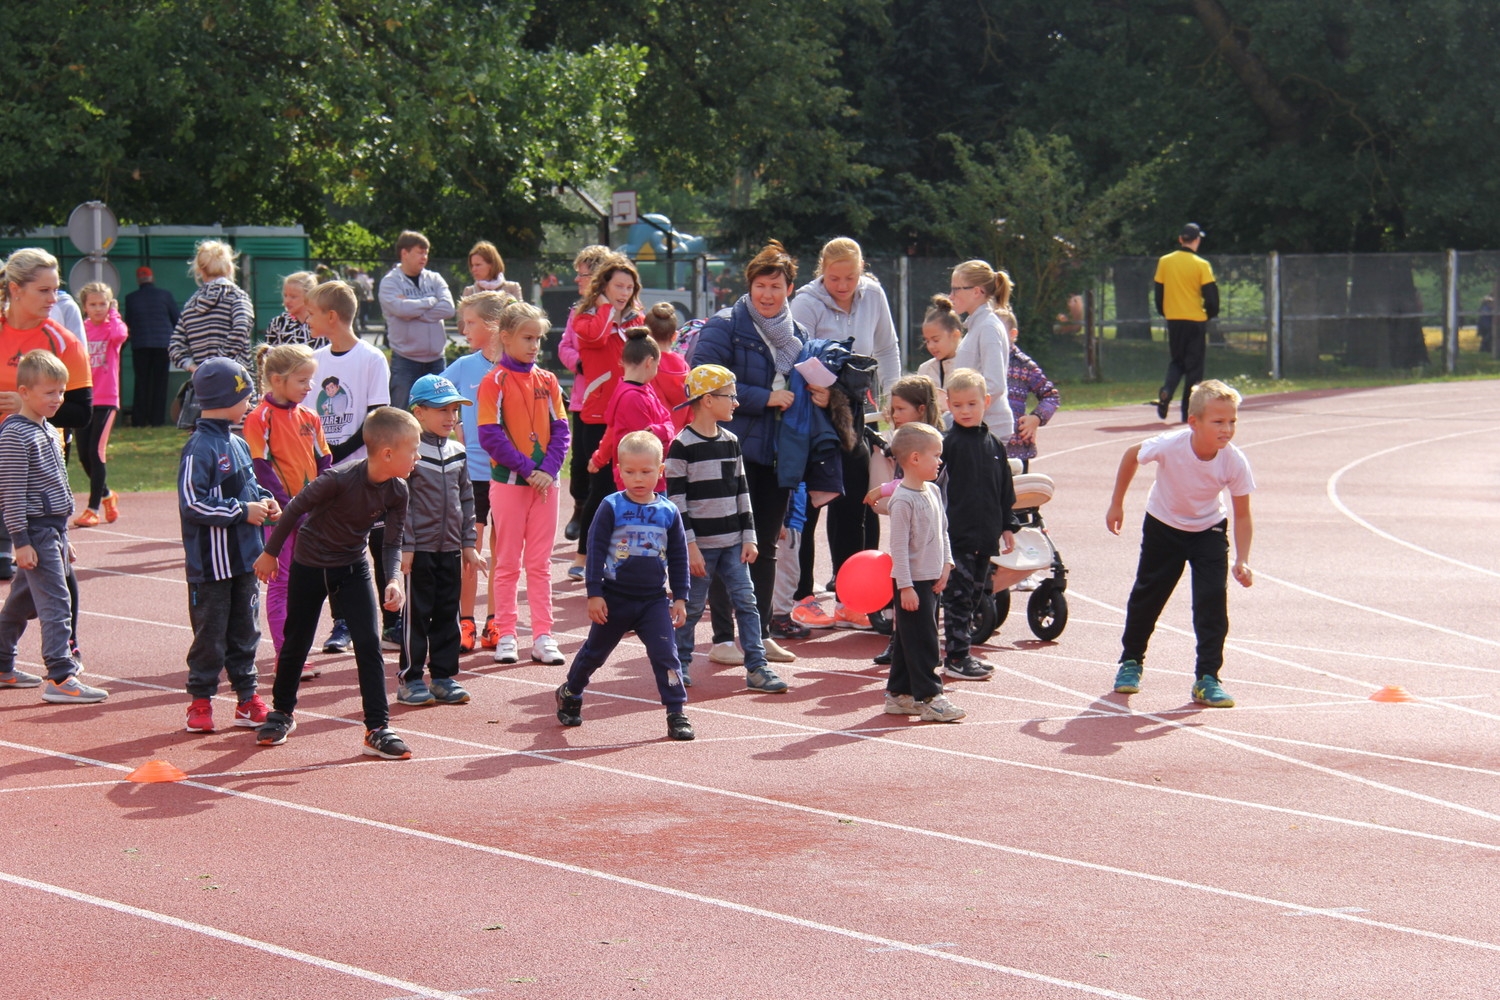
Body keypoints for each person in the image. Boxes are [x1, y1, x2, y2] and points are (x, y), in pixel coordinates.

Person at [254, 407, 419, 759]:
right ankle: (282, 712)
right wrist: (270, 552)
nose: (417, 457)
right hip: (310, 564)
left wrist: (393, 579)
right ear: (388, 453)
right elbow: (295, 509)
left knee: (369, 644)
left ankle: (377, 728)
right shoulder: (338, 478)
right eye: (413, 449)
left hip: (351, 567)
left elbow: (392, 542)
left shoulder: (398, 490)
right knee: (297, 640)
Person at [687, 240, 824, 664]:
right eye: (761, 285)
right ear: (750, 286)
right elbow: (701, 383)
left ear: (790, 289)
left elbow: (799, 393)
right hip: (726, 453)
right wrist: (764, 397)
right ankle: (724, 639)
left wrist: (817, 397)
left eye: (776, 286)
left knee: (764, 545)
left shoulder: (799, 336)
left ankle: (760, 635)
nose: (768, 294)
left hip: (777, 457)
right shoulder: (724, 326)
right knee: (725, 545)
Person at [1107, 379, 1255, 708]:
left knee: (1211, 601)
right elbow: (1132, 455)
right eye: (1218, 422)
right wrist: (1117, 503)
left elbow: (1242, 515)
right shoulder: (1170, 445)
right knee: (1148, 594)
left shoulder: (1233, 460)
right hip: (1164, 526)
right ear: (1194, 422)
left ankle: (1207, 678)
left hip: (1209, 530)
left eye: (1232, 421)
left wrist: (1242, 559)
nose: (1227, 429)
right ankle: (1130, 662)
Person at [554, 431, 694, 742]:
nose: (638, 478)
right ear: (619, 470)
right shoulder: (610, 506)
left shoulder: (668, 511)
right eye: (629, 471)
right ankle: (572, 691)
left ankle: (676, 711)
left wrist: (681, 597)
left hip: (653, 601)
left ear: (660, 471)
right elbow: (594, 549)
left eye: (646, 471)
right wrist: (594, 593)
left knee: (665, 654)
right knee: (595, 653)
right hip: (615, 597)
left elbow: (678, 555)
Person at [789, 237, 901, 627]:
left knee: (854, 503)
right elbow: (791, 353)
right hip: (813, 412)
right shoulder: (805, 302)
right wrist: (815, 391)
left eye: (850, 277)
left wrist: (893, 396)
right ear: (822, 272)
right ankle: (801, 596)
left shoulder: (873, 295)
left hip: (854, 411)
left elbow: (887, 348)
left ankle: (851, 597)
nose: (842, 286)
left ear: (861, 271)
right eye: (834, 278)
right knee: (811, 505)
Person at [666, 364, 786, 693]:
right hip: (701, 546)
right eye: (730, 396)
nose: (736, 402)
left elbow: (742, 493)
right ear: (707, 400)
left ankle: (757, 667)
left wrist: (749, 536)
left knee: (747, 603)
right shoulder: (682, 446)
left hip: (734, 543)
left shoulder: (732, 441)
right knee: (689, 608)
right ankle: (680, 664)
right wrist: (689, 546)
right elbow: (677, 502)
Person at [0, 351, 107, 703]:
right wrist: (21, 541)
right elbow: (11, 492)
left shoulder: (49, 428)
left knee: (20, 603)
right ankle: (61, 676)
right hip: (35, 532)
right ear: (24, 392)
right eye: (49, 392)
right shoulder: (15, 434)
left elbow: (56, 482)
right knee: (57, 604)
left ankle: (1, 664)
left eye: (60, 392)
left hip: (53, 531)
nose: (57, 399)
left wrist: (64, 537)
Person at [179, 357, 279, 731]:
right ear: (226, 398)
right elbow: (193, 501)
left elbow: (248, 487)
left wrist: (265, 500)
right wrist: (242, 511)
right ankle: (200, 701)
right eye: (246, 396)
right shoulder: (199, 447)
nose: (250, 404)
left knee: (245, 631)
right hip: (211, 567)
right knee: (210, 634)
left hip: (245, 561)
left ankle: (246, 698)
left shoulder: (236, 443)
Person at [476, 300, 569, 667]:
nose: (534, 345)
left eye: (538, 339)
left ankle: (544, 635)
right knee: (508, 561)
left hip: (546, 484)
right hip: (510, 483)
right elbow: (490, 434)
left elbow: (562, 429)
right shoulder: (494, 381)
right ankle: (507, 634)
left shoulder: (547, 380)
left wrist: (548, 469)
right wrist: (528, 469)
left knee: (541, 563)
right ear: (506, 338)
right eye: (527, 338)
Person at [308, 281, 395, 653]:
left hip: (364, 472)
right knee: (335, 550)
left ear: (331, 316)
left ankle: (392, 620)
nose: (306, 319)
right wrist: (320, 459)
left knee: (377, 545)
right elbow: (309, 416)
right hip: (331, 475)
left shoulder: (372, 359)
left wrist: (338, 452)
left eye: (311, 313)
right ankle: (342, 623)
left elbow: (375, 420)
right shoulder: (315, 360)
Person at [0, 249, 94, 583]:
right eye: (44, 290)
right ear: (15, 289)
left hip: (32, 469)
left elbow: (82, 413)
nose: (53, 298)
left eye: (56, 289)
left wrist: (26, 407)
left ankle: (61, 635)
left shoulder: (63, 342)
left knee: (47, 576)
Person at [243, 343, 331, 668]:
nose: (310, 388)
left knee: (306, 586)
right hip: (280, 517)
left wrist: (320, 504)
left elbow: (325, 462)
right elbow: (261, 468)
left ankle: (297, 648)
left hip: (312, 516)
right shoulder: (259, 418)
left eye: (311, 380)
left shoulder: (310, 416)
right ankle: (286, 655)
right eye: (302, 381)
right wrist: (291, 510)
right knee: (281, 583)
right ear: (277, 380)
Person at [397, 374, 481, 706]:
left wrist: (469, 544)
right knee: (416, 614)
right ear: (418, 412)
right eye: (443, 410)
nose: (451, 418)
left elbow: (467, 499)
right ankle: (411, 678)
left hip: (449, 549)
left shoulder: (458, 452)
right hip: (418, 551)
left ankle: (444, 675)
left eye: (455, 410)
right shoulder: (411, 454)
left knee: (448, 612)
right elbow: (400, 503)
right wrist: (405, 546)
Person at [568, 254, 646, 581]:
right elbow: (596, 337)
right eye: (618, 286)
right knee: (598, 489)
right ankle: (584, 556)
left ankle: (624, 558)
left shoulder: (636, 320)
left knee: (631, 486)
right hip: (596, 415)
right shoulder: (585, 317)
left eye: (629, 287)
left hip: (629, 411)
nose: (624, 292)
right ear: (603, 286)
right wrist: (605, 308)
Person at [940, 368, 1018, 680]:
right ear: (948, 404)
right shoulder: (947, 445)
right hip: (956, 536)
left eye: (972, 404)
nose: (965, 411)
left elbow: (1004, 489)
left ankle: (963, 651)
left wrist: (1008, 524)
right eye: (958, 405)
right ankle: (957, 658)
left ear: (986, 401)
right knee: (957, 598)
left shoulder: (995, 445)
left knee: (974, 596)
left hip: (985, 537)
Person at [443, 290, 509, 653]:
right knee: (471, 550)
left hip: (508, 476)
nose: (463, 329)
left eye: (469, 323)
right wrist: (455, 426)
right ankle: (465, 622)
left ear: (493, 325)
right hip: (473, 476)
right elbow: (431, 394)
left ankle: (495, 622)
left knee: (502, 554)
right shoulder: (465, 366)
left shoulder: (514, 367)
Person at [883, 421, 963, 723]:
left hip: (931, 577)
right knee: (925, 640)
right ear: (915, 458)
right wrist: (905, 586)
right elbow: (899, 548)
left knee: (908, 638)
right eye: (936, 455)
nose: (940, 461)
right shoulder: (902, 501)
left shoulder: (931, 490)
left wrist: (947, 564)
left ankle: (900, 694)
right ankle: (930, 697)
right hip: (911, 582)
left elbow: (943, 531)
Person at [557, 245, 612, 542]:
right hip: (584, 398)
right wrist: (579, 362)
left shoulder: (618, 312)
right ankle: (579, 507)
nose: (578, 280)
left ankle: (600, 520)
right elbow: (564, 346)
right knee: (579, 462)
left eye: (583, 275)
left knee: (604, 461)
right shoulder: (577, 313)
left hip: (613, 399)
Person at [72, 282, 129, 528]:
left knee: (96, 451)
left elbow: (120, 335)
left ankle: (93, 508)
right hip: (84, 398)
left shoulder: (112, 328)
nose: (98, 309)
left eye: (103, 304)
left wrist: (114, 313)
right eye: (93, 304)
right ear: (84, 306)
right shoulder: (81, 330)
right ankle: (107, 494)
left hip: (106, 400)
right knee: (84, 454)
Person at [379, 230, 456, 411]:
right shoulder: (390, 282)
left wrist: (413, 311)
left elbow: (449, 308)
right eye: (419, 252)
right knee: (402, 414)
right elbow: (399, 309)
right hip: (406, 361)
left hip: (436, 360)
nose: (424, 257)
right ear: (404, 253)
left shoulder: (435, 279)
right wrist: (430, 302)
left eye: (426, 253)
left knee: (440, 410)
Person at [589, 328, 674, 492]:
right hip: (643, 482)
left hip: (646, 478)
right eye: (657, 364)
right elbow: (646, 442)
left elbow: (667, 421)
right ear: (649, 362)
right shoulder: (633, 397)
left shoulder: (640, 389)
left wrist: (599, 458)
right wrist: (663, 431)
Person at [1154, 223, 1220, 422]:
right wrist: (1209, 314)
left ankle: (1167, 390)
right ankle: (1187, 412)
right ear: (1197, 240)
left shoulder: (1165, 261)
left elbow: (1159, 292)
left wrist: (1165, 312)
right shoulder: (1201, 264)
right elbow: (1211, 296)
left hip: (1174, 319)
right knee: (1194, 368)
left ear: (1180, 239)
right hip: (1195, 320)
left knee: (1177, 361)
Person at [947, 260, 1015, 442]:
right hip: (977, 427)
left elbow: (995, 384)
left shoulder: (988, 328)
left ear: (977, 291)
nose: (950, 296)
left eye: (956, 289)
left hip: (989, 428)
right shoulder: (978, 326)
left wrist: (961, 408)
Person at [169, 239, 255, 381]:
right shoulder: (236, 297)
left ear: (200, 270)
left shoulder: (191, 304)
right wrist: (218, 364)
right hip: (237, 383)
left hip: (204, 388)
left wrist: (196, 368)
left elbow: (175, 346)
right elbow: (241, 329)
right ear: (229, 267)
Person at [124, 266, 180, 427]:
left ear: (138, 280)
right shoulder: (165, 296)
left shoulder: (131, 298)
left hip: (140, 345)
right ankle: (157, 420)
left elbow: (129, 324)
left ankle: (139, 420)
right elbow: (177, 319)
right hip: (162, 344)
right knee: (160, 382)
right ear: (152, 278)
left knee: (142, 382)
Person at [1004, 321, 1060, 472]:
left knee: (1018, 494)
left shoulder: (1024, 365)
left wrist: (1036, 418)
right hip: (985, 446)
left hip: (1016, 449)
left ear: (1012, 334)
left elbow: (1051, 396)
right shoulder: (977, 361)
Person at [644, 302, 690, 428]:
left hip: (651, 440)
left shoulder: (645, 367)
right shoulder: (685, 367)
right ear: (675, 336)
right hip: (678, 441)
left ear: (647, 334)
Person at [917, 294, 964, 417]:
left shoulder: (969, 365)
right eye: (927, 341)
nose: (931, 346)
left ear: (955, 335)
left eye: (936, 340)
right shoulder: (925, 369)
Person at [264, 271, 324, 349]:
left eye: (293, 296)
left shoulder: (322, 322)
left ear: (309, 296)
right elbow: (268, 357)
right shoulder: (277, 323)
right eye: (285, 295)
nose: (287, 301)